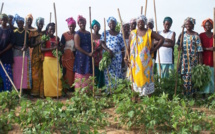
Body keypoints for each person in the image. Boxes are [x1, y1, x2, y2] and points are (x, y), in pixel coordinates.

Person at [125, 15, 164, 96]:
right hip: (135, 62)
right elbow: (128, 47)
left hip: (145, 62)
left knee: (146, 78)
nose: (140, 24)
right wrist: (126, 57)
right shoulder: (133, 33)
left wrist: (154, 48)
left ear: (145, 23)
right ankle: (136, 96)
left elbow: (162, 39)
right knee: (135, 79)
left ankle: (147, 98)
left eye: (142, 22)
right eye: (138, 22)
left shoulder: (149, 32)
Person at [177, 17, 203, 96]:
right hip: (184, 60)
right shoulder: (182, 34)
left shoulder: (196, 35)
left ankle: (193, 95)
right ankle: (185, 94)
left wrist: (200, 62)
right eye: (186, 24)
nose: (188, 25)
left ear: (193, 25)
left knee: (193, 77)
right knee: (184, 76)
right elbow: (178, 46)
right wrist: (179, 47)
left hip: (193, 60)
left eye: (190, 24)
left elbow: (199, 50)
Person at [100, 17, 124, 89]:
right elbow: (101, 43)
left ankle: (117, 91)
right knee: (108, 74)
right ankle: (109, 90)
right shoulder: (105, 33)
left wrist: (123, 59)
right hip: (108, 57)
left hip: (117, 57)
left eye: (113, 23)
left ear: (115, 24)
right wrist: (107, 50)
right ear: (108, 24)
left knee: (117, 73)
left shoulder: (120, 35)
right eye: (110, 23)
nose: (111, 24)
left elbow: (122, 48)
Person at [41, 23, 62, 97]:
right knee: (48, 78)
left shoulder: (57, 38)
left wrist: (58, 48)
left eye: (53, 29)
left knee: (57, 76)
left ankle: (57, 93)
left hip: (55, 59)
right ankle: (49, 94)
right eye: (50, 29)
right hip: (48, 59)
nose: (52, 30)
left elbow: (59, 48)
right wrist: (52, 48)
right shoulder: (45, 38)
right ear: (47, 30)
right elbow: (42, 49)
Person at [73, 15, 93, 89]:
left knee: (89, 70)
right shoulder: (77, 34)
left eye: (83, 22)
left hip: (89, 56)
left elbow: (91, 43)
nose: (82, 24)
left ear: (85, 23)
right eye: (80, 23)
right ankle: (80, 89)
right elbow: (77, 46)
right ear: (78, 24)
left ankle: (89, 89)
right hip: (81, 56)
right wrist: (88, 53)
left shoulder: (88, 33)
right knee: (82, 70)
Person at [13, 14, 32, 90]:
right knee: (17, 69)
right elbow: (13, 44)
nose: (20, 24)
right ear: (17, 24)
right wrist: (19, 48)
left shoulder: (26, 32)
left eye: (21, 23)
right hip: (17, 52)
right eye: (19, 23)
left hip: (25, 51)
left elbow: (28, 43)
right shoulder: (14, 32)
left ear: (23, 24)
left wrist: (25, 47)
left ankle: (24, 87)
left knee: (25, 69)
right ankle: (17, 87)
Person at [30, 17, 45, 97]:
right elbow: (31, 45)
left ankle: (41, 92)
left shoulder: (44, 33)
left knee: (43, 73)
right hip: (35, 54)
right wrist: (39, 42)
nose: (41, 25)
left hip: (43, 54)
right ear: (37, 23)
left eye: (42, 23)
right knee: (35, 73)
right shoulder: (33, 33)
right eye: (39, 23)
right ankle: (34, 92)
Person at [200, 18, 215, 97]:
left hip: (212, 59)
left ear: (212, 26)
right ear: (204, 26)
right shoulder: (201, 35)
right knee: (205, 78)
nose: (208, 26)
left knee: (212, 78)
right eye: (206, 25)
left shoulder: (214, 35)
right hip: (204, 58)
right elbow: (199, 47)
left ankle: (211, 95)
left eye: (209, 25)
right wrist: (209, 49)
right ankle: (204, 95)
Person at [61, 17, 76, 92]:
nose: (71, 28)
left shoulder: (77, 34)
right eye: (70, 26)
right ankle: (66, 88)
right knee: (66, 73)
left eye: (73, 26)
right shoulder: (64, 35)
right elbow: (62, 46)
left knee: (73, 72)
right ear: (68, 26)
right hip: (66, 57)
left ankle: (73, 88)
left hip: (74, 57)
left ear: (75, 26)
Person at [0, 14, 14, 92]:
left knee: (7, 76)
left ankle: (8, 92)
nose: (3, 21)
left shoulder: (10, 31)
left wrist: (2, 52)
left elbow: (11, 44)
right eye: (2, 20)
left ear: (7, 21)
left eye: (5, 20)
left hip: (7, 56)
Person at [91, 19, 105, 88]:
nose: (96, 28)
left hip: (100, 56)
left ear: (99, 28)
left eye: (97, 27)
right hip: (93, 55)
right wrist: (95, 49)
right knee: (94, 70)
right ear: (93, 28)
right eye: (95, 27)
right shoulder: (90, 36)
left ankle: (100, 86)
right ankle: (94, 86)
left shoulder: (101, 36)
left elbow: (104, 45)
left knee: (100, 70)